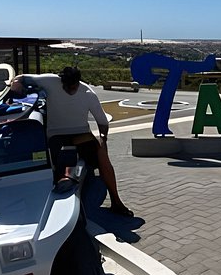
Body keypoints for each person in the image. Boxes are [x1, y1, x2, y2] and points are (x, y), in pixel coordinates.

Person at [10, 66, 133, 217]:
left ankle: (116, 201)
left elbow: (102, 122)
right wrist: (16, 85)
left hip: (81, 133)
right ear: (61, 81)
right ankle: (52, 192)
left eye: (73, 87)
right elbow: (21, 77)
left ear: (78, 82)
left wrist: (103, 138)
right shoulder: (50, 81)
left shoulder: (88, 93)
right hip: (56, 135)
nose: (70, 90)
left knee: (102, 155)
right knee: (51, 154)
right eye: (66, 86)